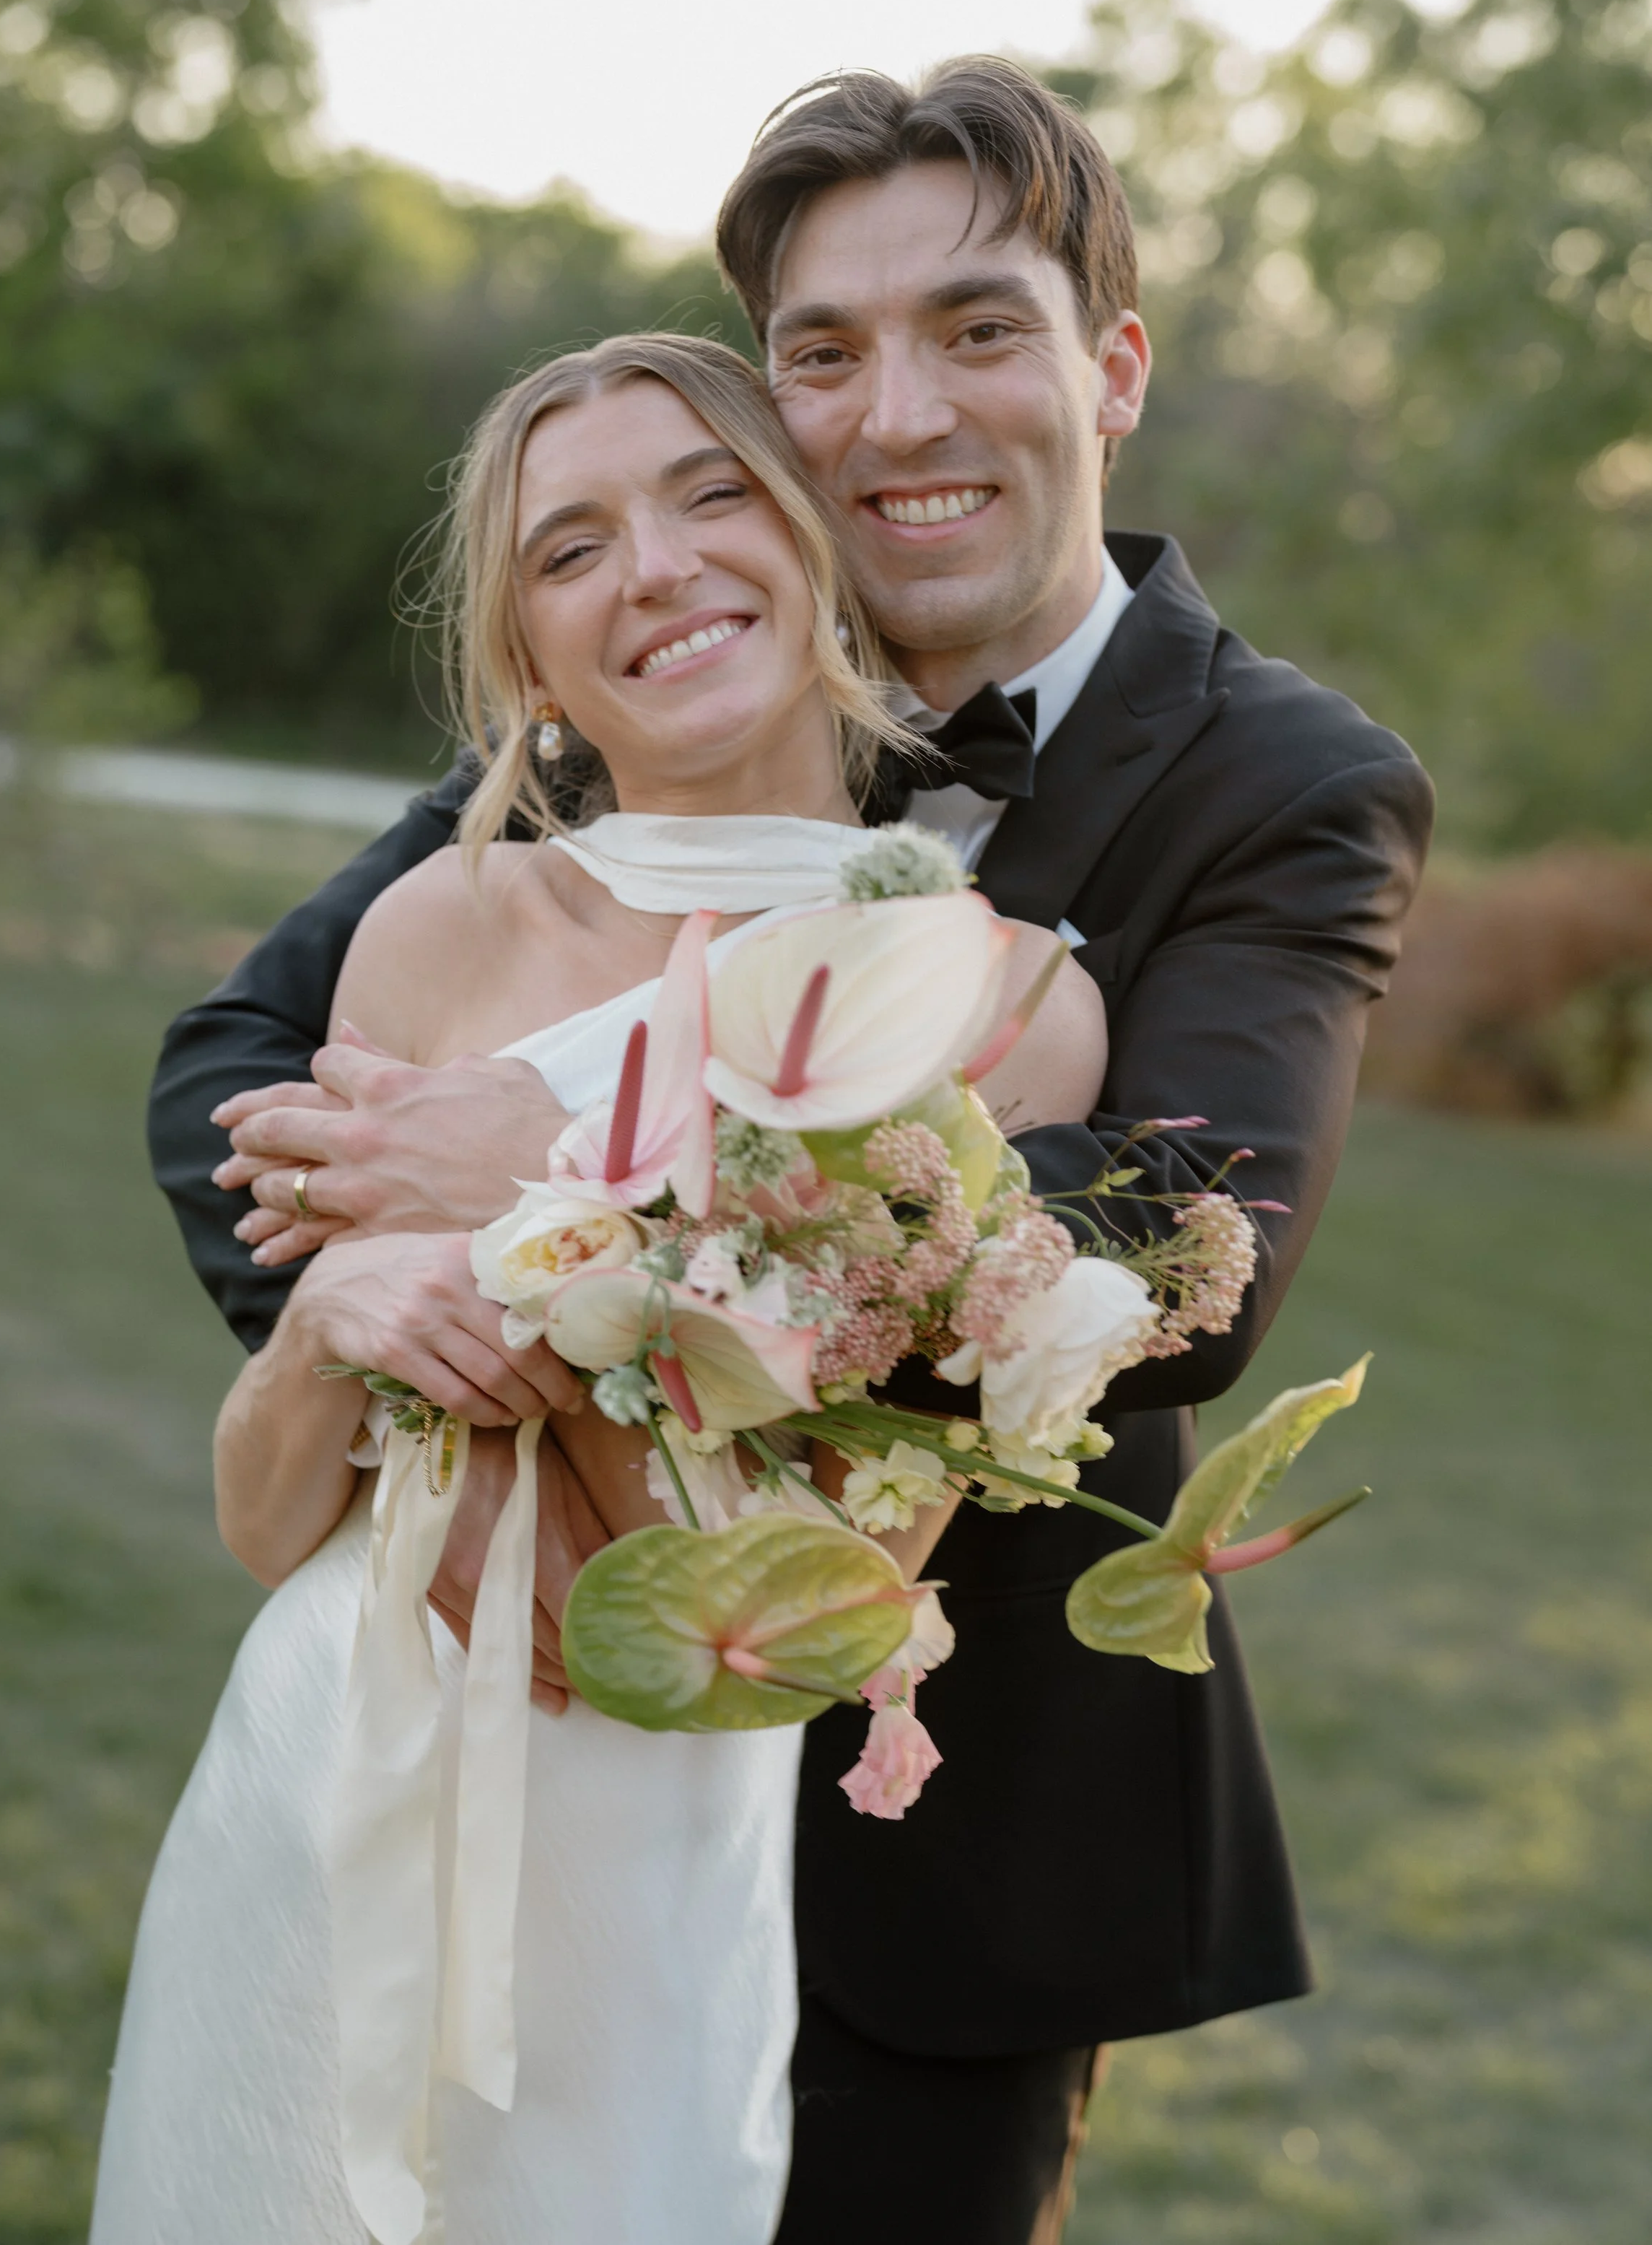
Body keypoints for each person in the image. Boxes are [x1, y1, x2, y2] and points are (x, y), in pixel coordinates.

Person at [148, 58, 1434, 2245]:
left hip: (945, 1828)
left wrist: (562, 1172)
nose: (899, 416)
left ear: (1109, 367)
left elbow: (1177, 1236)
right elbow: (239, 1067)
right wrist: (402, 1323)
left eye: (976, 330)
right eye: (823, 356)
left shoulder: (1283, 778)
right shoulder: (633, 709)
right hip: (486, 1751)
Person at [93, 332, 1109, 2243]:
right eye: (570, 547)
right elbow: (267, 1523)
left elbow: (836, 1585)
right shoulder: (437, 925)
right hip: (331, 1761)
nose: (653, 566)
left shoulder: (1001, 1001)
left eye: (710, 493)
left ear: (815, 539)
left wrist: (578, 1255)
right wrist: (322, 1330)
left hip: (657, 1837)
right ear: (525, 662)